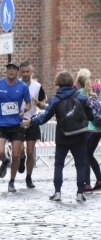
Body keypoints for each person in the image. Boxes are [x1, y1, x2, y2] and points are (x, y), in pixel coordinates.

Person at [23, 70, 92, 202]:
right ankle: (80, 192)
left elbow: (44, 117)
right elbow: (90, 116)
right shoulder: (82, 98)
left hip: (62, 136)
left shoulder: (56, 100)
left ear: (58, 83)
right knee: (80, 165)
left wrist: (31, 121)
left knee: (59, 164)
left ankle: (58, 192)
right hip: (79, 136)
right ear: (72, 82)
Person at [0, 61, 31, 193]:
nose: (11, 71)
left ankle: (12, 181)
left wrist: (24, 110)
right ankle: (5, 161)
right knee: (0, 152)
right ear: (6, 71)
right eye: (9, 69)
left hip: (16, 125)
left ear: (17, 71)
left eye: (13, 69)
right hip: (1, 124)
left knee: (16, 154)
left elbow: (28, 103)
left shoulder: (23, 86)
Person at [19, 61, 47, 188]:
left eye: (27, 72)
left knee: (31, 152)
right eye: (23, 72)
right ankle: (21, 158)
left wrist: (37, 103)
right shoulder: (16, 85)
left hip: (32, 120)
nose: (25, 74)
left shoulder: (37, 86)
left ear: (31, 72)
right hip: (18, 120)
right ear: (20, 72)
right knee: (20, 150)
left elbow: (43, 104)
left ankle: (29, 178)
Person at [76, 68, 101, 193]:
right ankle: (99, 180)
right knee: (89, 155)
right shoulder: (92, 93)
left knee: (85, 155)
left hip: (88, 129)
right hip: (98, 129)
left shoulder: (79, 94)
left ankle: (86, 184)